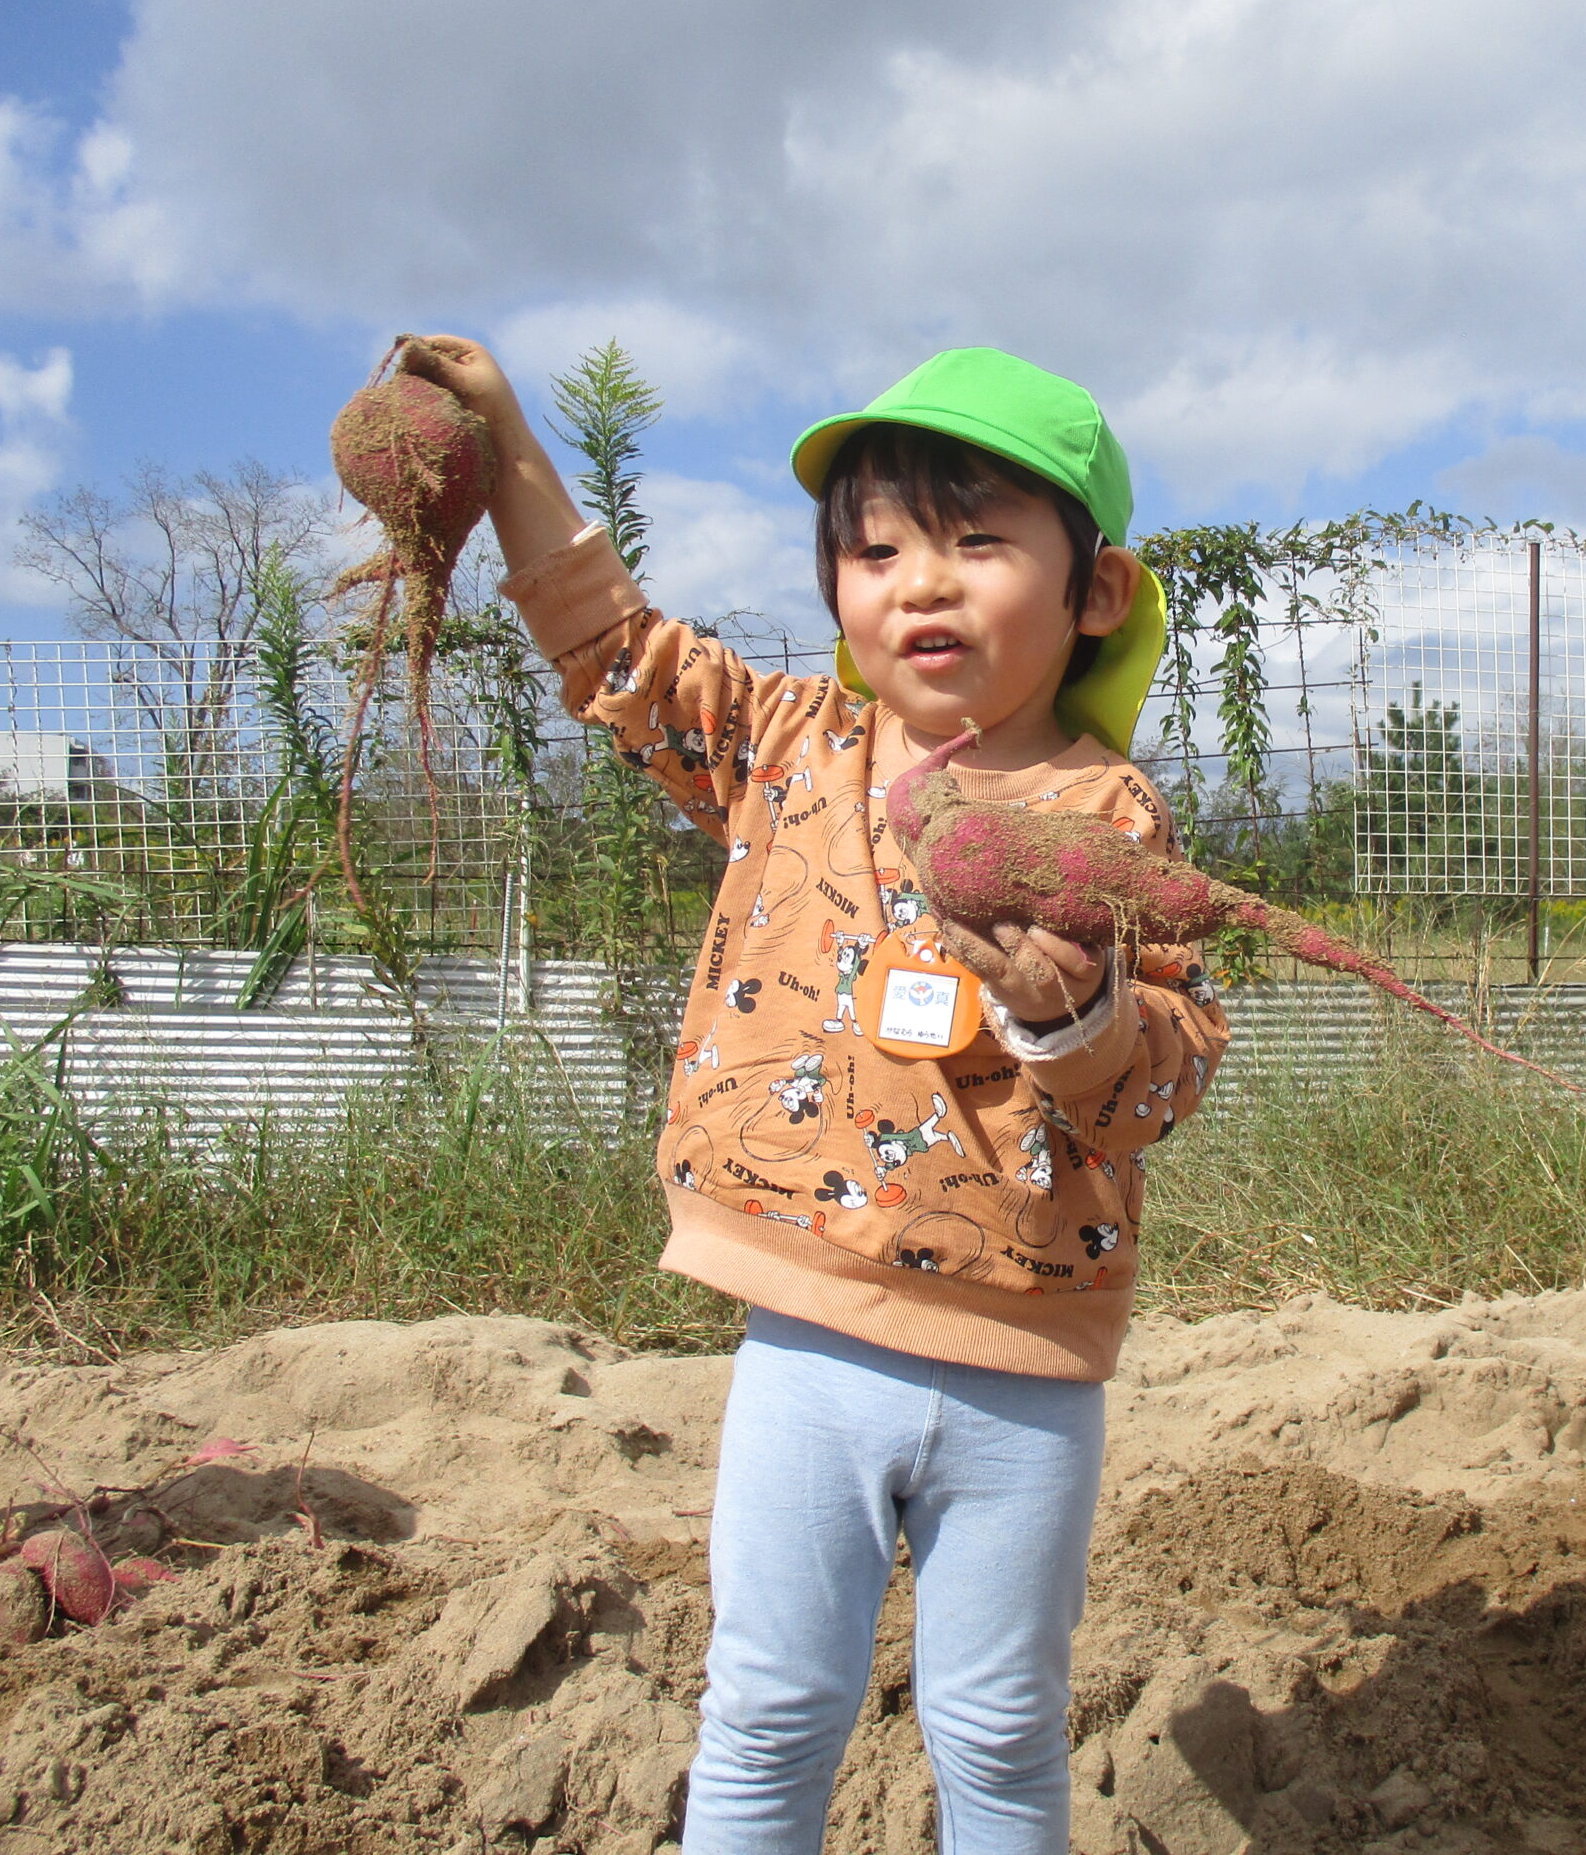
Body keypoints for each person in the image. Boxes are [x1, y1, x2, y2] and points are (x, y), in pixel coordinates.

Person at [399, 337, 1226, 1854]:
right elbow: (611, 645)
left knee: (995, 1728)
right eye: (876, 546)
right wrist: (507, 437)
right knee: (770, 1706)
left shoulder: (1110, 816)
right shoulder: (793, 753)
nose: (921, 580)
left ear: (1092, 592)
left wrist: (1079, 1014)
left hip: (1023, 1367)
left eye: (979, 541)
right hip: (806, 1344)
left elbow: (1169, 1073)